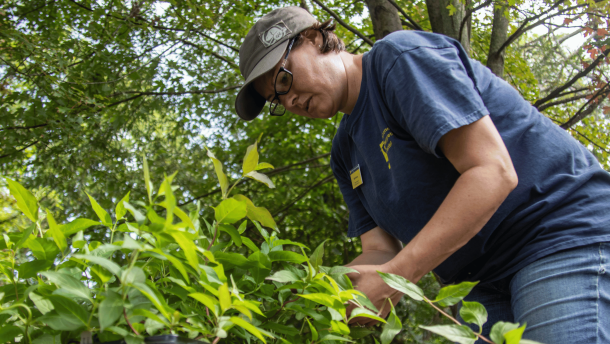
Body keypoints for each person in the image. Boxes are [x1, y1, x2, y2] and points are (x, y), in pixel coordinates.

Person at [234, 6, 610, 343]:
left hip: (555, 235)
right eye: (276, 100)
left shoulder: (399, 59)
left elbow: (492, 171)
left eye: (283, 80)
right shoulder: (345, 152)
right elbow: (380, 251)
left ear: (316, 39)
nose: (289, 100)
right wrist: (309, 291)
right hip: (477, 284)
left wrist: (397, 276)